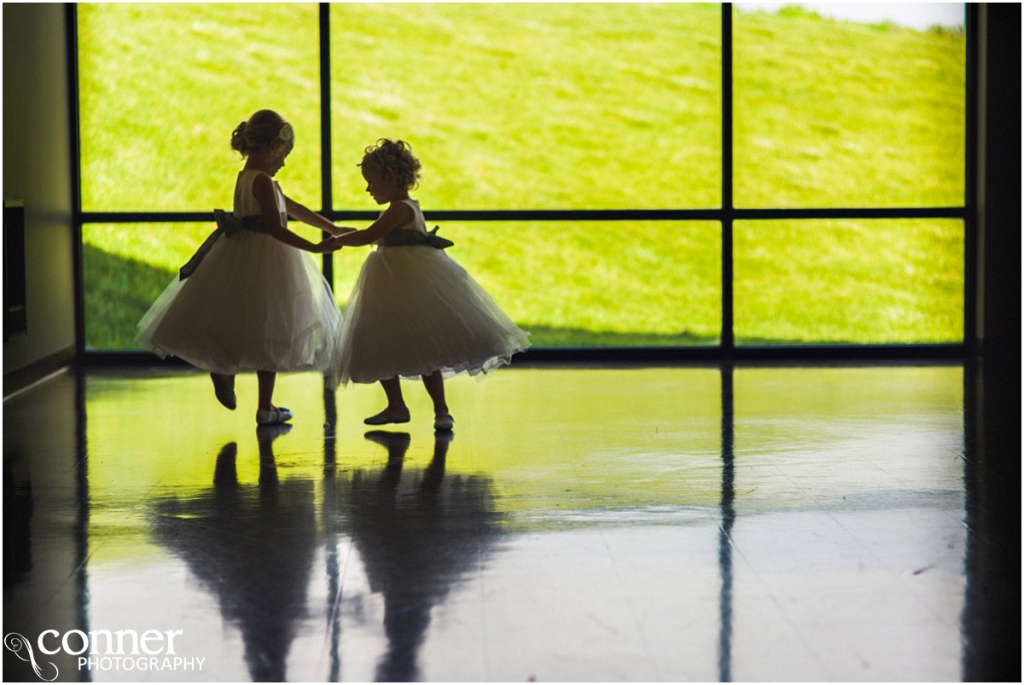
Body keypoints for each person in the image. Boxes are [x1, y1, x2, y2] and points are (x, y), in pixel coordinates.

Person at [138, 110, 347, 425]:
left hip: (244, 256)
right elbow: (277, 228)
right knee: (270, 329)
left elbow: (294, 208)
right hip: (267, 258)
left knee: (251, 324)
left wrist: (333, 228)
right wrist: (317, 246)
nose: (284, 162)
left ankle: (245, 387)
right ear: (269, 146)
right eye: (282, 153)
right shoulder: (261, 181)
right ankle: (253, 396)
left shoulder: (253, 178)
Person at [327, 139, 530, 431]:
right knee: (382, 342)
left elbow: (367, 236)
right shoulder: (399, 208)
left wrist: (337, 240)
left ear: (391, 178)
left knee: (422, 349)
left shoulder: (400, 209)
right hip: (392, 281)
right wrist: (344, 232)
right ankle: (403, 406)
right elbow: (376, 235)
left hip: (405, 283)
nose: (368, 189)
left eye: (371, 182)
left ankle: (437, 410)